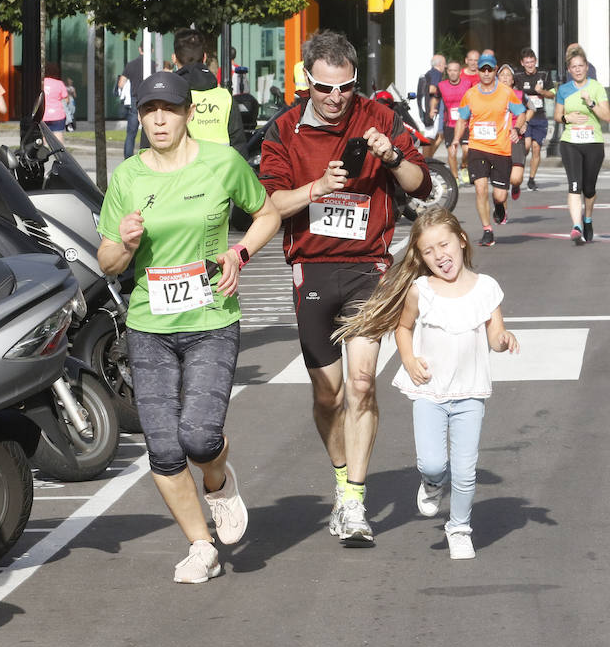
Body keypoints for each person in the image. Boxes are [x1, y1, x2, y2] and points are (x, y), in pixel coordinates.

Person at [97, 70, 282, 584]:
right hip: (148, 324)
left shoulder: (222, 164)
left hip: (210, 318)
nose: (159, 119)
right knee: (162, 446)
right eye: (149, 110)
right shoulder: (129, 176)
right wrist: (126, 246)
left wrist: (240, 252)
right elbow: (107, 260)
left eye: (169, 109)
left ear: (186, 114)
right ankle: (201, 545)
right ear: (139, 117)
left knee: (199, 438)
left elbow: (267, 214)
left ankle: (219, 483)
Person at [258, 29, 432, 545]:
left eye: (346, 88)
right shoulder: (284, 130)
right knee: (328, 393)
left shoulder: (379, 118)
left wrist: (394, 157)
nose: (335, 100)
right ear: (306, 82)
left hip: (369, 265)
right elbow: (268, 206)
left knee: (361, 382)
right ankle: (340, 481)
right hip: (311, 268)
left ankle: (355, 501)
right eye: (324, 89)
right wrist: (317, 189)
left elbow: (420, 184)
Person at [333, 207, 519, 560]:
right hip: (430, 391)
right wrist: (408, 359)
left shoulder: (487, 289)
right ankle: (433, 484)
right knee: (433, 464)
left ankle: (459, 528)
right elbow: (403, 328)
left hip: (470, 393)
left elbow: (494, 333)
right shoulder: (421, 290)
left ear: (462, 241)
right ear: (420, 256)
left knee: (465, 470)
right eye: (428, 251)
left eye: (444, 245)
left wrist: (504, 338)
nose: (439, 256)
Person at [456, 53, 525, 247]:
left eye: (489, 69)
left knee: (500, 195)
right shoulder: (470, 94)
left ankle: (499, 207)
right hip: (478, 147)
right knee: (480, 188)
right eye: (482, 69)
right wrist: (455, 140)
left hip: (501, 150)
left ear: (495, 71)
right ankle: (487, 230)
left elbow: (520, 114)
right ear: (477, 71)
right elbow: (462, 119)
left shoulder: (506, 92)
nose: (486, 73)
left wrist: (517, 129)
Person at [555, 48, 610, 245]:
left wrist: (591, 102)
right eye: (574, 67)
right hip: (570, 142)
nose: (577, 70)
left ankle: (587, 218)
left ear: (586, 68)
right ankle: (576, 225)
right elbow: (557, 116)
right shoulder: (564, 90)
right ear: (569, 70)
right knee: (574, 185)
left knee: (588, 189)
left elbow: (607, 117)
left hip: (593, 142)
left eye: (581, 66)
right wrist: (566, 118)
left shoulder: (596, 87)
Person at [173, 28, 247, 156]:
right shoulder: (224, 97)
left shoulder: (169, 96)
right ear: (205, 57)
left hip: (181, 173)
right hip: (222, 172)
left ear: (174, 58)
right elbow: (239, 146)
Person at [514, 49, 553, 190]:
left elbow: (552, 94)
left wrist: (541, 92)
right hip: (524, 116)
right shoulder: (518, 76)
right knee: (526, 146)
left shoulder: (543, 74)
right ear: (522, 63)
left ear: (535, 61)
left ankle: (531, 179)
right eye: (527, 63)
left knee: (536, 148)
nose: (530, 65)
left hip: (540, 117)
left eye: (532, 62)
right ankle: (517, 176)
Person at [496, 63, 527, 200]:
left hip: (515, 137)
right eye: (502, 75)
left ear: (513, 80)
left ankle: (516, 185)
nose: (505, 78)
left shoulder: (519, 95)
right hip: (497, 139)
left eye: (508, 75)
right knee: (500, 184)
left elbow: (530, 109)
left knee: (515, 178)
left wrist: (524, 123)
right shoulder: (491, 95)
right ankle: (501, 208)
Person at [437, 59, 469, 183]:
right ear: (447, 71)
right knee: (451, 152)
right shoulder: (442, 85)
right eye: (450, 70)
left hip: (465, 123)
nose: (453, 73)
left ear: (460, 72)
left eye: (455, 70)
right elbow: (438, 104)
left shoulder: (467, 84)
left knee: (466, 151)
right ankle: (455, 178)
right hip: (449, 124)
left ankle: (464, 167)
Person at [117, 47, 147, 158]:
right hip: (148, 100)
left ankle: (128, 158)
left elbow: (121, 83)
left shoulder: (131, 64)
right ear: (152, 50)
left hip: (135, 100)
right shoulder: (154, 64)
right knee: (148, 131)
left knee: (131, 133)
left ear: (139, 49)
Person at [41, 64, 68, 144]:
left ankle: (44, 154)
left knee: (44, 137)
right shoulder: (59, 83)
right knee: (58, 136)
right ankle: (59, 155)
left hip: (43, 115)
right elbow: (66, 99)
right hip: (57, 114)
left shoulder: (40, 84)